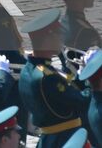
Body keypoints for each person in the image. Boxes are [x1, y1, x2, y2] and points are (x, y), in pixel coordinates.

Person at [18, 9, 88, 148]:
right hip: (66, 138)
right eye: (59, 35)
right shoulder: (46, 77)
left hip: (49, 139)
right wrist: (91, 77)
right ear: (48, 38)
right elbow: (82, 101)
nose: (62, 39)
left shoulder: (28, 70)